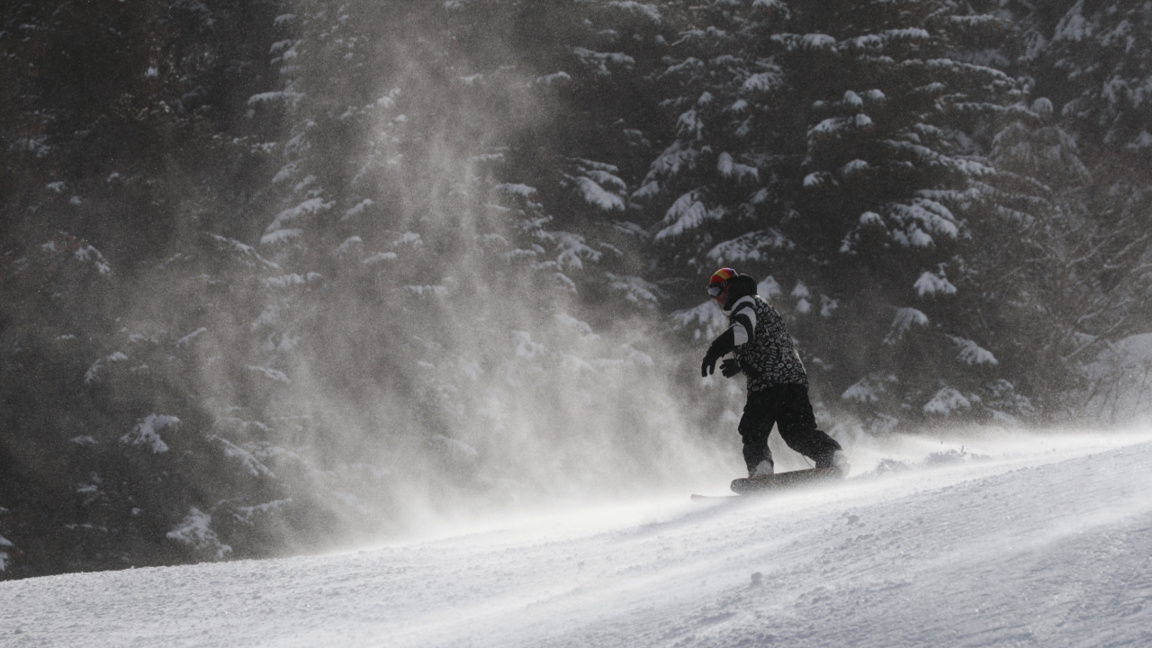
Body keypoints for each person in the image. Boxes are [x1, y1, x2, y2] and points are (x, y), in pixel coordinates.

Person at [701, 267, 846, 478]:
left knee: (753, 430)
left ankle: (760, 470)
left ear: (728, 287)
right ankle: (831, 455)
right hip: (793, 379)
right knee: (796, 432)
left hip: (768, 382)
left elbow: (742, 332)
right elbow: (769, 344)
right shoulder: (760, 304)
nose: (715, 299)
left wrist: (714, 351)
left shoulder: (744, 302)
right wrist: (741, 363)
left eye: (716, 291)